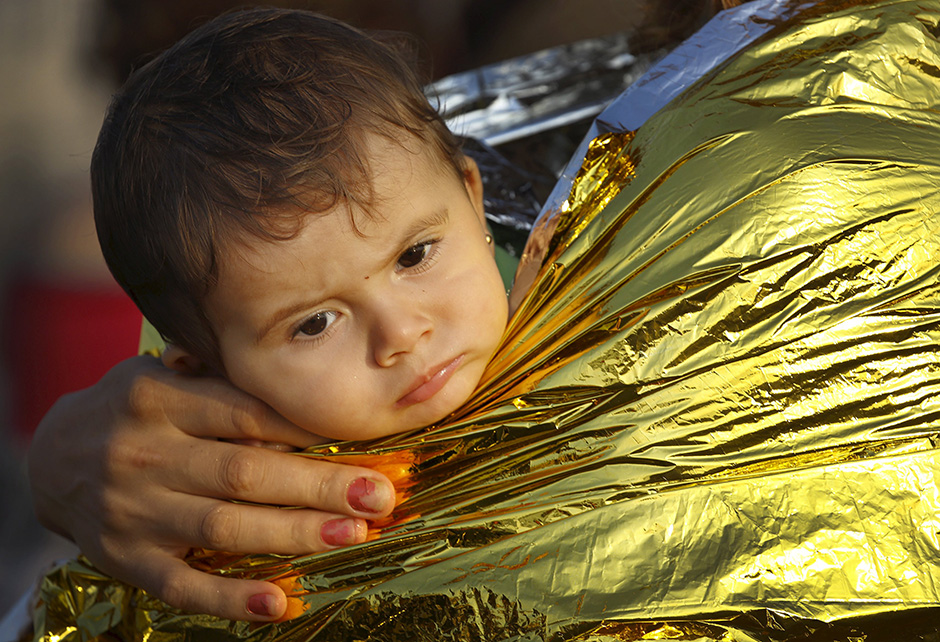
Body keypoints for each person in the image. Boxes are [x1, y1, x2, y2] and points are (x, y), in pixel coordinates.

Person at [31, 7, 512, 623]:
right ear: (203, 366)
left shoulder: (583, 292)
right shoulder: (208, 531)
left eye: (414, 255)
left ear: (473, 199)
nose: (400, 333)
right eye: (314, 324)